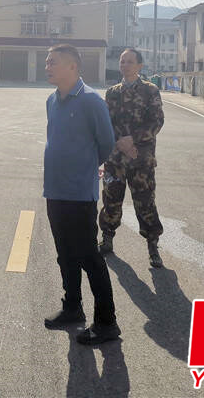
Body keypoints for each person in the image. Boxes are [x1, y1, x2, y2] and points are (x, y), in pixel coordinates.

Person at [43, 44, 120, 345]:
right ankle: (72, 307)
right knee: (65, 254)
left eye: (53, 62)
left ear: (72, 66)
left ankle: (107, 323)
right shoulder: (52, 100)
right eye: (47, 62)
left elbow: (106, 143)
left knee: (88, 255)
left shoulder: (91, 101)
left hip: (79, 192)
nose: (48, 67)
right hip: (55, 189)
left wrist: (87, 168)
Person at [99, 48, 165, 268]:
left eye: (129, 61)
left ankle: (153, 246)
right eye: (122, 61)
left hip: (140, 160)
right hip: (115, 160)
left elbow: (156, 122)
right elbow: (105, 123)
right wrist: (120, 142)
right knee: (111, 201)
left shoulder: (150, 90)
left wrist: (132, 140)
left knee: (145, 203)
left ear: (139, 66)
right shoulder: (112, 92)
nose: (125, 65)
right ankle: (107, 238)